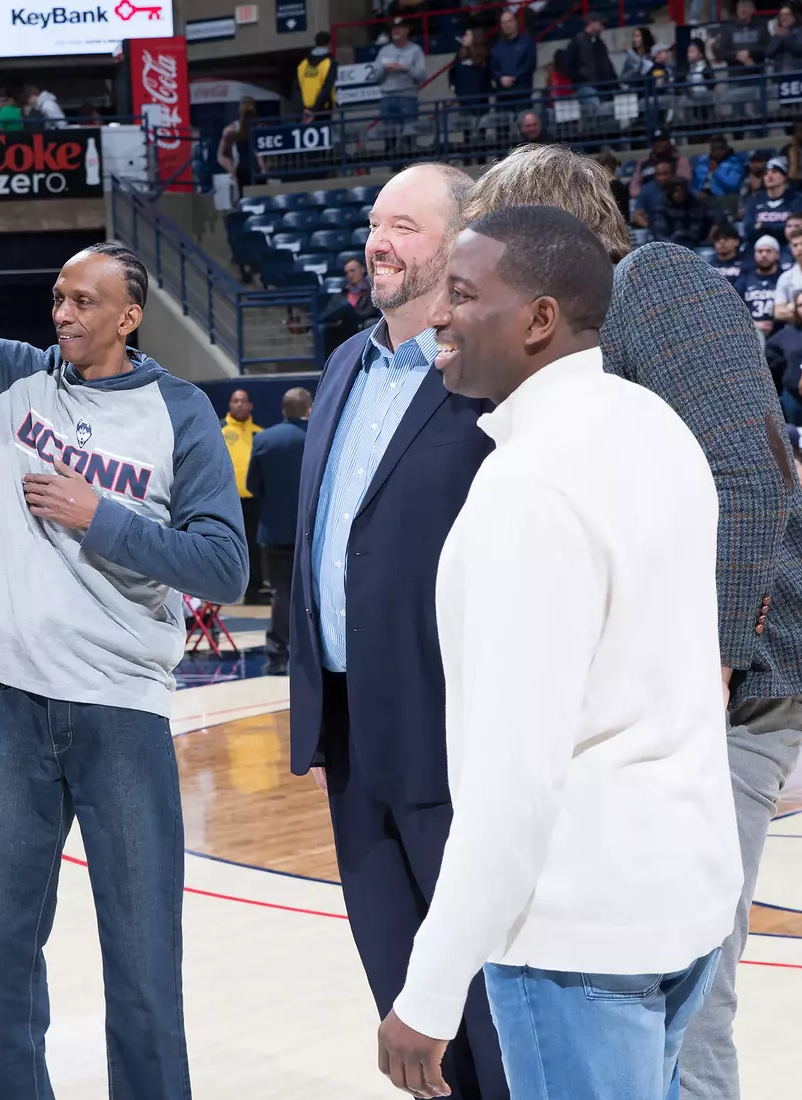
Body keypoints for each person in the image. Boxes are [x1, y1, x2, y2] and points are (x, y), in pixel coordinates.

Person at [462, 142, 802, 1100]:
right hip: (684, 698)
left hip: (736, 688)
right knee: (658, 987)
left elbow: (746, 476)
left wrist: (712, 660)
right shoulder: (573, 345)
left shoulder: (657, 278)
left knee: (686, 994)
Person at [0, 95, 245, 1100]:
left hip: (120, 716)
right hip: (18, 712)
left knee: (143, 976)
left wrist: (99, 517)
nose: (61, 312)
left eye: (83, 300)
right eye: (58, 298)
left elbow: (224, 567)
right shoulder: (13, 381)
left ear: (129, 314)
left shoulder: (180, 413)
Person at [377, 202, 740, 1100]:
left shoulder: (528, 488)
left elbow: (514, 781)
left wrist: (426, 992)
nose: (436, 316)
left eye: (462, 295)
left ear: (540, 319)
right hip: (686, 899)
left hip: (578, 933)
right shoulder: (656, 425)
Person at [287, 159, 506, 1100]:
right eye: (376, 223)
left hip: (450, 735)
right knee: (406, 1003)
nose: (379, 241)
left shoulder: (489, 378)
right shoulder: (344, 362)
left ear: (459, 243)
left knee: (489, 1006)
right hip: (347, 732)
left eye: (405, 227)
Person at [244, 387, 310, 676]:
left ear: (283, 410)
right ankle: (312, 653)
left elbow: (252, 485)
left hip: (273, 531)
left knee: (281, 595)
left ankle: (278, 656)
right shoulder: (320, 438)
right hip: (312, 532)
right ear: (309, 409)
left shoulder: (264, 439)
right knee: (314, 595)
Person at [221, 389, 264, 604]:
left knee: (254, 548)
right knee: (224, 545)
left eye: (242, 401)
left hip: (253, 502)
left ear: (250, 406)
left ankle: (254, 590)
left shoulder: (259, 434)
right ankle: (220, 590)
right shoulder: (218, 430)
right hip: (226, 501)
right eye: (234, 400)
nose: (238, 404)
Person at [374, 18, 426, 152]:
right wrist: (384, 69)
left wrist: (406, 68)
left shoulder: (415, 50)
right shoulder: (384, 51)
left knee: (409, 137)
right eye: (393, 28)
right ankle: (393, 167)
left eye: (399, 28)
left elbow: (422, 76)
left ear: (407, 31)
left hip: (407, 97)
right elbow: (375, 77)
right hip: (387, 98)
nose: (395, 31)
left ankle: (408, 166)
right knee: (389, 137)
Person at [565, 14, 617, 118]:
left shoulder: (600, 43)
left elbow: (607, 65)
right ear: (591, 23)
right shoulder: (578, 41)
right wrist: (580, 78)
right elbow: (567, 65)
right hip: (585, 85)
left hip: (602, 85)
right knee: (599, 110)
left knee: (608, 111)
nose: (603, 27)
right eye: (600, 23)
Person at [489, 9, 535, 112]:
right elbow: (494, 68)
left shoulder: (527, 42)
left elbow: (529, 65)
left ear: (515, 22)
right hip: (503, 96)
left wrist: (513, 78)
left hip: (522, 93)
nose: (507, 25)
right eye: (504, 22)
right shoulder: (497, 48)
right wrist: (501, 78)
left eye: (509, 21)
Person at [736, 236, 783, 334]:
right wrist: (753, 324)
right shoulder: (744, 280)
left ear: (777, 254)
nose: (764, 254)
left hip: (780, 331)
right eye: (760, 251)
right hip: (749, 332)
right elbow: (734, 309)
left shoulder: (784, 278)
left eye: (768, 251)